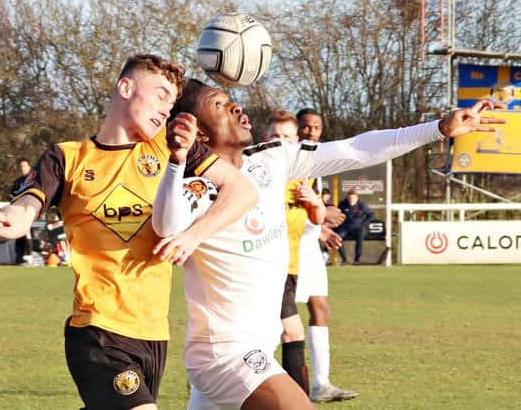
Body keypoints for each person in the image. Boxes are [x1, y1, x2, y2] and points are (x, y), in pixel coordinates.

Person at [151, 78, 502, 410]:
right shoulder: (194, 187)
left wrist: (437, 128)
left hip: (256, 348)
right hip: (226, 356)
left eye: (231, 101)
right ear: (197, 130)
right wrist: (178, 160)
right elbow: (167, 224)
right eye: (220, 106)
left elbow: (354, 149)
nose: (237, 108)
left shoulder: (272, 158)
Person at [0, 54, 257, 410]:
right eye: (160, 95)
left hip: (153, 333)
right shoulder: (68, 157)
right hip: (98, 329)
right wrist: (9, 220)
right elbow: (26, 207)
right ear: (125, 87)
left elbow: (242, 191)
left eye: (171, 102)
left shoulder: (172, 149)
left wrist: (194, 235)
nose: (165, 109)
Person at [293, 107, 358, 402]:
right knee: (279, 319)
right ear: (297, 129)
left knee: (321, 308)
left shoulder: (315, 166)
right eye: (306, 127)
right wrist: (322, 214)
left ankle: (321, 383)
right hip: (287, 248)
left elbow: (303, 213)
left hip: (309, 248)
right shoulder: (288, 164)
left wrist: (319, 230)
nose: (311, 132)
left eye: (316, 127)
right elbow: (280, 212)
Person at [264, 110, 325, 398]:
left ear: (296, 140)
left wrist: (314, 202)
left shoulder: (303, 176)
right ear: (265, 139)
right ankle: (299, 401)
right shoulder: (257, 173)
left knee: (265, 339)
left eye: (286, 137)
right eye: (274, 136)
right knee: (292, 332)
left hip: (290, 268)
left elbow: (318, 217)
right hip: (264, 268)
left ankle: (210, 392)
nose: (279, 142)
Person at [335, 189, 374, 265]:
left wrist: (364, 224)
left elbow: (370, 214)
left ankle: (357, 260)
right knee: (338, 238)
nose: (351, 200)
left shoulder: (362, 205)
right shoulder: (342, 204)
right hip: (345, 228)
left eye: (353, 198)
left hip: (358, 229)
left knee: (360, 236)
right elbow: (336, 214)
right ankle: (344, 260)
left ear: (357, 198)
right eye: (349, 198)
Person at [10, 157, 34, 265]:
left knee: (27, 233)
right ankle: (19, 258)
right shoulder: (17, 182)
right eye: (20, 166)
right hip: (18, 212)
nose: (22, 168)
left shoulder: (35, 181)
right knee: (18, 234)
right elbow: (11, 196)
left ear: (29, 167)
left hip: (29, 212)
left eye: (24, 166)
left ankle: (28, 257)